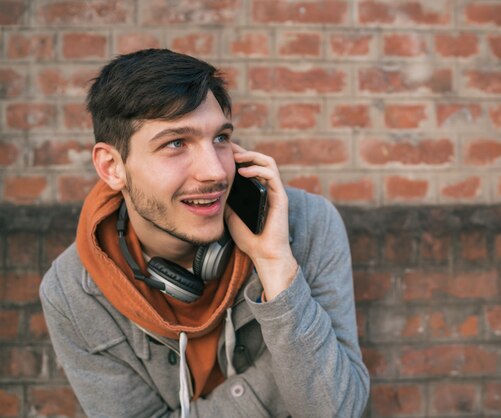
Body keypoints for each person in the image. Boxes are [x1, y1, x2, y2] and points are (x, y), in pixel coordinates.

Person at [39, 48, 369, 417]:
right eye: (176, 143)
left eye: (220, 138)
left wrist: (275, 263)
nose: (214, 171)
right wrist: (277, 384)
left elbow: (337, 410)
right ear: (112, 167)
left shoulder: (308, 225)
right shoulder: (72, 292)